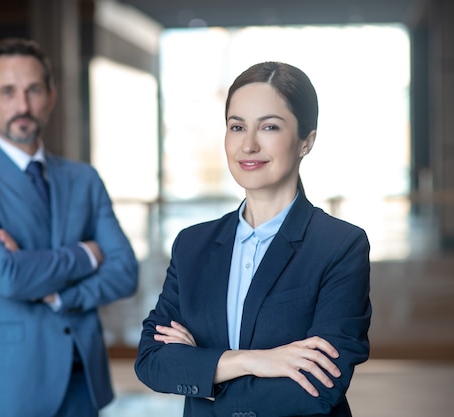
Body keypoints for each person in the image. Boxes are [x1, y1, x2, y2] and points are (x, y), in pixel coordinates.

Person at [135, 61, 371, 417]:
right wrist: (253, 361)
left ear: (307, 140)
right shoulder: (192, 246)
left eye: (269, 127)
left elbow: (320, 385)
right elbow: (152, 361)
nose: (248, 144)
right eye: (237, 127)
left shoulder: (339, 246)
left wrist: (205, 372)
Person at [0, 37, 139, 417]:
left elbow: (126, 271)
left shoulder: (84, 179)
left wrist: (58, 295)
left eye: (33, 90)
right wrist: (86, 254)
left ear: (51, 95)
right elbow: (8, 275)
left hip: (83, 380)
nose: (22, 106)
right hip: (7, 386)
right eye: (8, 92)